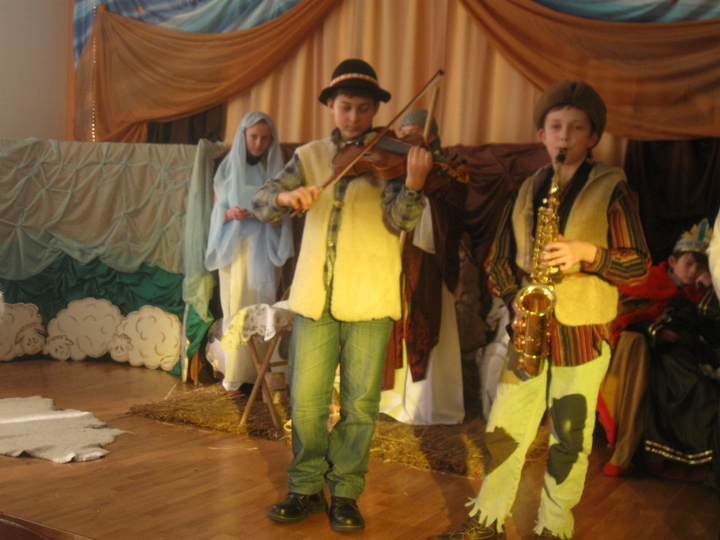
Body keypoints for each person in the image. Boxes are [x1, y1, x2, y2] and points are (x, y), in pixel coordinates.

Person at [429, 80, 650, 540]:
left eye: (576, 127)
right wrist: (516, 296)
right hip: (530, 327)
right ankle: (487, 519)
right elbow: (497, 261)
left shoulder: (612, 187)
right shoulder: (527, 189)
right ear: (541, 135)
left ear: (593, 136)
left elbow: (638, 265)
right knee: (504, 427)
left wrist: (587, 254)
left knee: (570, 434)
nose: (564, 136)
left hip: (582, 331)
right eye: (556, 127)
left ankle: (554, 526)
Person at [252, 59, 433, 532]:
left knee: (360, 404)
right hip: (314, 296)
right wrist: (286, 199)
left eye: (364, 109)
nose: (354, 118)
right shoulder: (310, 156)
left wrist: (413, 184)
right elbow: (262, 199)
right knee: (306, 401)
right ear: (331, 105)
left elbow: (400, 220)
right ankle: (306, 487)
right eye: (346, 107)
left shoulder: (391, 158)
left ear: (375, 111)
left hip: (371, 295)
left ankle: (347, 493)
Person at [599, 220, 714, 477]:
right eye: (688, 264)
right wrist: (656, 332)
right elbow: (624, 317)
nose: (693, 271)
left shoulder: (695, 292)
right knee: (677, 380)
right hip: (640, 352)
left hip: (679, 352)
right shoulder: (649, 281)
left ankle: (677, 455)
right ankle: (645, 454)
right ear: (672, 261)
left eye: (700, 266)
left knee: (689, 381)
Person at [380, 108, 465, 425]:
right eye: (403, 137)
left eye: (416, 136)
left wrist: (423, 175)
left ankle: (426, 405)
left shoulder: (449, 169)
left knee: (427, 322)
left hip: (428, 264)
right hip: (392, 260)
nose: (408, 143)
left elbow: (454, 203)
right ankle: (389, 400)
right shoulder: (389, 169)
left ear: (432, 136)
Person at [204, 111, 293, 395]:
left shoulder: (274, 171)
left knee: (261, 307)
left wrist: (274, 219)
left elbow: (282, 216)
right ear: (243, 136)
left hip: (262, 249)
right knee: (237, 307)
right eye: (254, 137)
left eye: (265, 138)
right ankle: (235, 372)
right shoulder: (228, 169)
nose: (258, 143)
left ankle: (259, 372)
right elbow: (217, 212)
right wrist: (230, 214)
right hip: (235, 249)